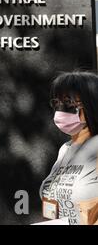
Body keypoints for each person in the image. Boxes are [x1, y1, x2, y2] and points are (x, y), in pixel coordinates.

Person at [40, 71, 98, 225]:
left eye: (68, 103)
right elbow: (51, 208)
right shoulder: (65, 150)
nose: (60, 110)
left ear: (92, 104)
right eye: (56, 103)